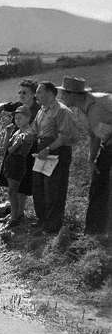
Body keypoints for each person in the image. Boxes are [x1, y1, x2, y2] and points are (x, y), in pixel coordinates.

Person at [59, 76, 112, 234]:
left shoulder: (97, 108)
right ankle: (93, 231)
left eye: (64, 94)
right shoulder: (84, 109)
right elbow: (94, 135)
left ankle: (100, 232)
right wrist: (91, 159)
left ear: (73, 94)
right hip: (107, 146)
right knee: (98, 186)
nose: (61, 97)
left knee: (102, 187)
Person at [31, 80, 79, 234]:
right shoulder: (42, 110)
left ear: (51, 93)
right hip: (43, 152)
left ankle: (53, 226)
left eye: (39, 91)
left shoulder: (62, 111)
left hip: (57, 152)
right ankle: (42, 221)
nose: (36, 95)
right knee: (39, 187)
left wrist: (48, 148)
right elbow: (35, 130)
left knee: (54, 190)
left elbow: (64, 136)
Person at [0, 80, 39, 227]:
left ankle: (18, 215)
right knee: (14, 185)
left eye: (25, 92)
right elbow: (1, 105)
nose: (21, 95)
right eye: (19, 92)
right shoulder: (18, 107)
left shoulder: (39, 109)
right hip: (15, 146)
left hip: (28, 148)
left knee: (23, 186)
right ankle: (17, 214)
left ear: (34, 94)